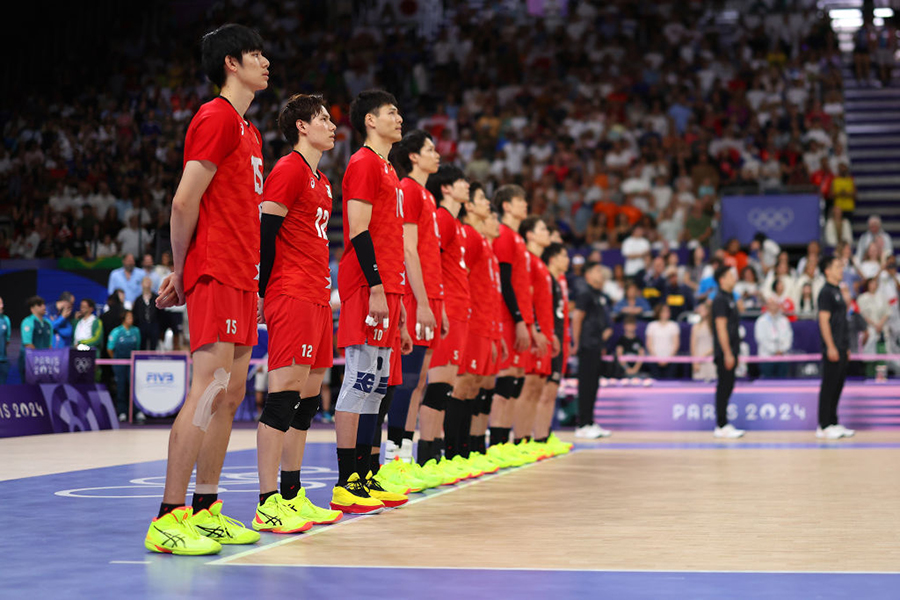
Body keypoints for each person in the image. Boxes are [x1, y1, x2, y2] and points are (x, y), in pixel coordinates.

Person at [145, 24, 269, 556]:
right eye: (255, 53)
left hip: (242, 275)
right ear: (230, 64)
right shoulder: (215, 117)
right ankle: (169, 515)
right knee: (209, 386)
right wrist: (181, 268)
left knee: (232, 394)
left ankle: (206, 508)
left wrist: (256, 280)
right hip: (215, 270)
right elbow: (183, 201)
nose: (266, 61)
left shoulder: (250, 130)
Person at [255, 93, 344, 531]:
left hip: (317, 297)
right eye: (324, 119)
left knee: (307, 403)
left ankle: (291, 493)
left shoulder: (322, 181)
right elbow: (265, 231)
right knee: (283, 398)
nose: (332, 126)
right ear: (301, 127)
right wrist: (258, 292)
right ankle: (267, 500)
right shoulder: (288, 169)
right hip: (289, 293)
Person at [332, 89, 409, 514]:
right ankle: (346, 480)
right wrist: (377, 285)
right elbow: (358, 230)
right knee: (359, 382)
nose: (399, 118)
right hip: (368, 286)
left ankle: (364, 472)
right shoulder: (363, 163)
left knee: (378, 387)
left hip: (388, 288)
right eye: (391, 112)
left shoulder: (387, 167)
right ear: (369, 121)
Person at [382, 130, 443, 475]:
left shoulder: (425, 196)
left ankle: (406, 452)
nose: (437, 155)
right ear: (415, 157)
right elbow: (407, 249)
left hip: (427, 296)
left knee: (418, 379)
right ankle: (395, 457)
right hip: (414, 296)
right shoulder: (408, 189)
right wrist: (420, 301)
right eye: (430, 150)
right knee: (406, 378)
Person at [487, 185, 534, 452]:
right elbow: (505, 282)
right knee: (504, 382)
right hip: (506, 318)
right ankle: (496, 445)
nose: (524, 205)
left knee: (514, 381)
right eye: (520, 200)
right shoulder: (503, 234)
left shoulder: (516, 238)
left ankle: (505, 444)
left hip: (518, 318)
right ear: (506, 205)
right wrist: (517, 320)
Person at [571, 261, 613, 439]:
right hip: (586, 345)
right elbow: (577, 318)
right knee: (586, 385)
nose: (601, 273)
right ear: (587, 275)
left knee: (594, 384)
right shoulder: (585, 294)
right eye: (597, 270)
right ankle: (582, 424)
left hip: (596, 345)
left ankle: (590, 421)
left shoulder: (600, 295)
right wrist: (576, 342)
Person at [817, 255, 855, 440]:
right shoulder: (825, 292)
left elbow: (842, 321)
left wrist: (845, 346)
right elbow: (824, 321)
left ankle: (833, 421)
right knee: (829, 385)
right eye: (837, 267)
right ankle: (823, 425)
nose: (841, 270)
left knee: (838, 385)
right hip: (831, 347)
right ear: (827, 270)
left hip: (841, 345)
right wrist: (830, 346)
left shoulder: (839, 291)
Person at [712, 266, 745, 438]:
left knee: (729, 385)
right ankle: (721, 424)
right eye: (730, 275)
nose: (734, 277)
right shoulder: (719, 299)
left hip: (732, 349)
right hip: (725, 351)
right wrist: (727, 352)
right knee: (724, 386)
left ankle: (724, 423)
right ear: (722, 280)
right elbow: (720, 327)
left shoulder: (731, 297)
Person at [107, 310, 142, 422]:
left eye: (132, 317)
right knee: (121, 387)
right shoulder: (116, 332)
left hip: (132, 364)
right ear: (123, 319)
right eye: (128, 317)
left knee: (134, 387)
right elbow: (110, 348)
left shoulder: (136, 331)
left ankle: (136, 411)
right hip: (120, 364)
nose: (131, 319)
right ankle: (122, 411)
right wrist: (116, 361)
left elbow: (137, 347)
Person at [754, 297, 793, 378]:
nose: (773, 306)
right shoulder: (761, 321)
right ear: (767, 306)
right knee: (768, 383)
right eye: (771, 304)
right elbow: (761, 339)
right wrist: (774, 351)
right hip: (767, 357)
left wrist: (781, 350)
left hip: (782, 357)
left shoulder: (784, 320)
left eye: (775, 304)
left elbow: (788, 337)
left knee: (783, 382)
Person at [18, 296, 53, 381]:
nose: (44, 307)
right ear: (32, 309)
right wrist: (39, 358)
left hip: (44, 363)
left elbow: (49, 345)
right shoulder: (28, 322)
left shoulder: (48, 324)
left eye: (43, 304)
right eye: (39, 305)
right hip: (29, 362)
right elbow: (28, 344)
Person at [645, 303, 680, 379]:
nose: (666, 313)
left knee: (669, 382)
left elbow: (676, 344)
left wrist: (668, 359)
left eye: (667, 311)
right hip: (654, 360)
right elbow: (649, 344)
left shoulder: (673, 325)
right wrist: (657, 359)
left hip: (671, 360)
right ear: (659, 313)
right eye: (663, 311)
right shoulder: (652, 326)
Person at [690, 302, 716, 381]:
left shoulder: (714, 325)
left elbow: (716, 344)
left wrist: (704, 356)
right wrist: (695, 361)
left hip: (711, 359)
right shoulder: (696, 326)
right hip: (699, 360)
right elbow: (693, 345)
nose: (700, 311)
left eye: (703, 309)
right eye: (699, 309)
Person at [133, 277, 160, 351]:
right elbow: (135, 313)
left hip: (154, 325)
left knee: (153, 346)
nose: (147, 284)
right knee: (142, 346)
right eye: (145, 282)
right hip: (141, 326)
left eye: (149, 282)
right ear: (142, 284)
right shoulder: (138, 299)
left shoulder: (156, 298)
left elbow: (161, 314)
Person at [0, 297, 10, 384]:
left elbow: (7, 340)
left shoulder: (5, 319)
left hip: (3, 360)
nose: (2, 306)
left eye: (2, 303)